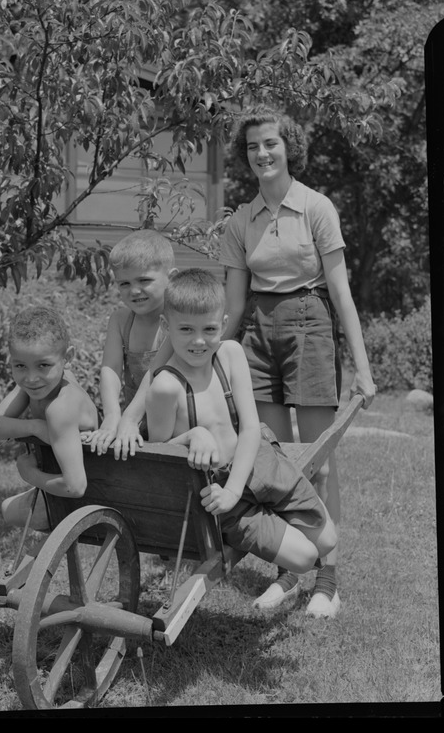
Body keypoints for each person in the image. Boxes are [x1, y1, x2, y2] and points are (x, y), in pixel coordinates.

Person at [219, 103, 376, 618]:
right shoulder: (241, 221)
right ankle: (288, 572)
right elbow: (236, 305)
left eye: (271, 143)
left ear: (289, 147)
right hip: (258, 336)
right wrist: (206, 357)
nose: (261, 153)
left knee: (319, 463)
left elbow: (341, 292)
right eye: (252, 146)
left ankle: (328, 577)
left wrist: (363, 367)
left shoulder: (316, 208)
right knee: (271, 463)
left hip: (311, 324)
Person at [145, 268, 337, 587]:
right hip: (216, 493)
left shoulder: (230, 355)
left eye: (208, 329)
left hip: (257, 463)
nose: (198, 340)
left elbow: (249, 427)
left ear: (222, 325)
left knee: (327, 540)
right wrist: (193, 435)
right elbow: (158, 457)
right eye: (186, 329)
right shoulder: (165, 387)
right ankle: (270, 530)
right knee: (305, 558)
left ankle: (275, 521)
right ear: (167, 328)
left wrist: (237, 488)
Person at [0, 306, 99, 530]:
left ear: (68, 358)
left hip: (87, 499)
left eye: (43, 365)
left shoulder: (61, 408)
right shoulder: (38, 386)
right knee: (8, 508)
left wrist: (30, 475)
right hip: (73, 491)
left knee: (10, 510)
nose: (31, 378)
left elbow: (75, 487)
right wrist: (36, 426)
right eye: (20, 366)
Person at [86, 229, 176, 458]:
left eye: (144, 280)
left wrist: (129, 418)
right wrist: (112, 416)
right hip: (132, 420)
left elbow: (154, 374)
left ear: (171, 278)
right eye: (124, 283)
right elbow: (111, 369)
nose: (134, 291)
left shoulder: (179, 320)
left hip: (173, 422)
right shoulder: (121, 320)